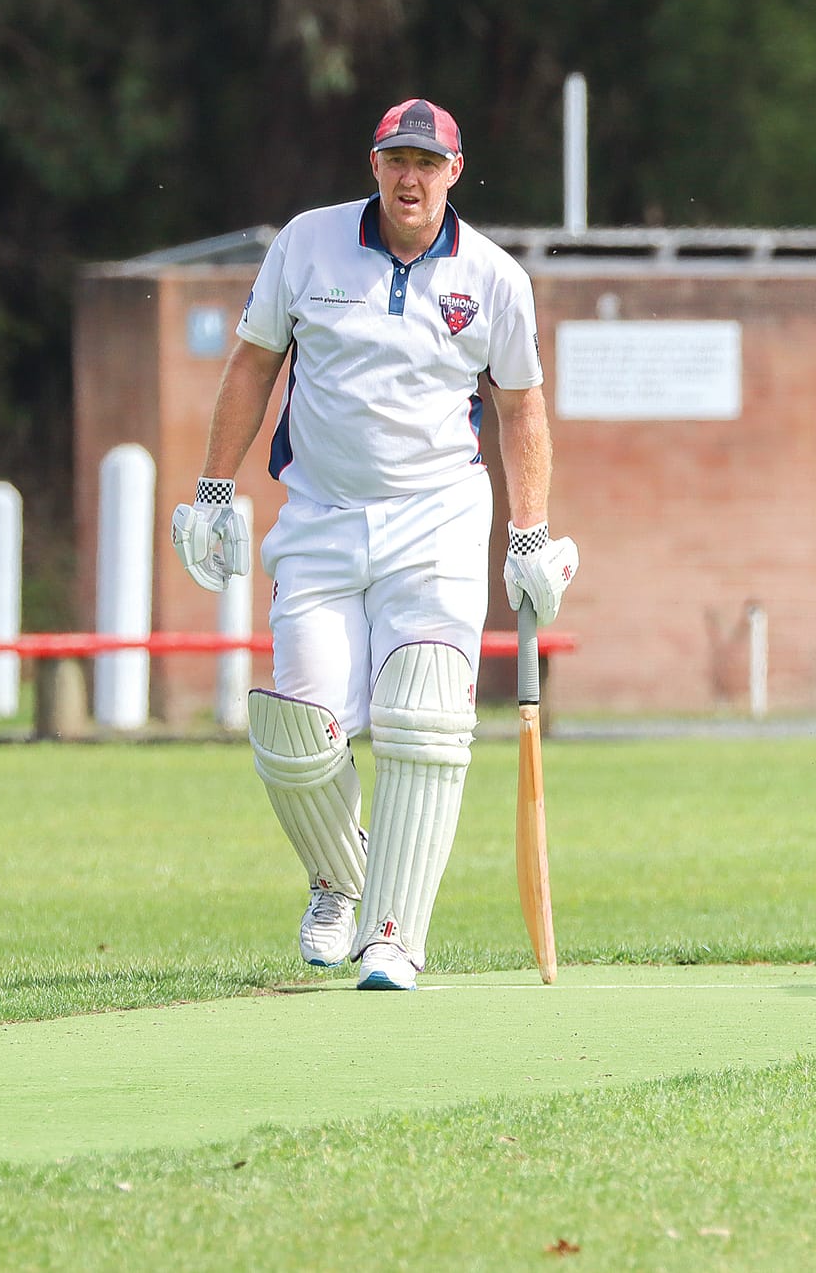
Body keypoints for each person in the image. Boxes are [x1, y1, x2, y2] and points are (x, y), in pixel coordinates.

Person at [169, 98, 579, 992]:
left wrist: (531, 533)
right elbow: (251, 363)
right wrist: (211, 488)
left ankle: (393, 934)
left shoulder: (495, 278)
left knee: (425, 719)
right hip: (317, 517)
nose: (410, 177)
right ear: (374, 162)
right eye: (397, 158)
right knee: (296, 734)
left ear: (454, 173)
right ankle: (338, 876)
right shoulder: (307, 245)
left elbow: (520, 407)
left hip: (437, 520)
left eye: (428, 163)